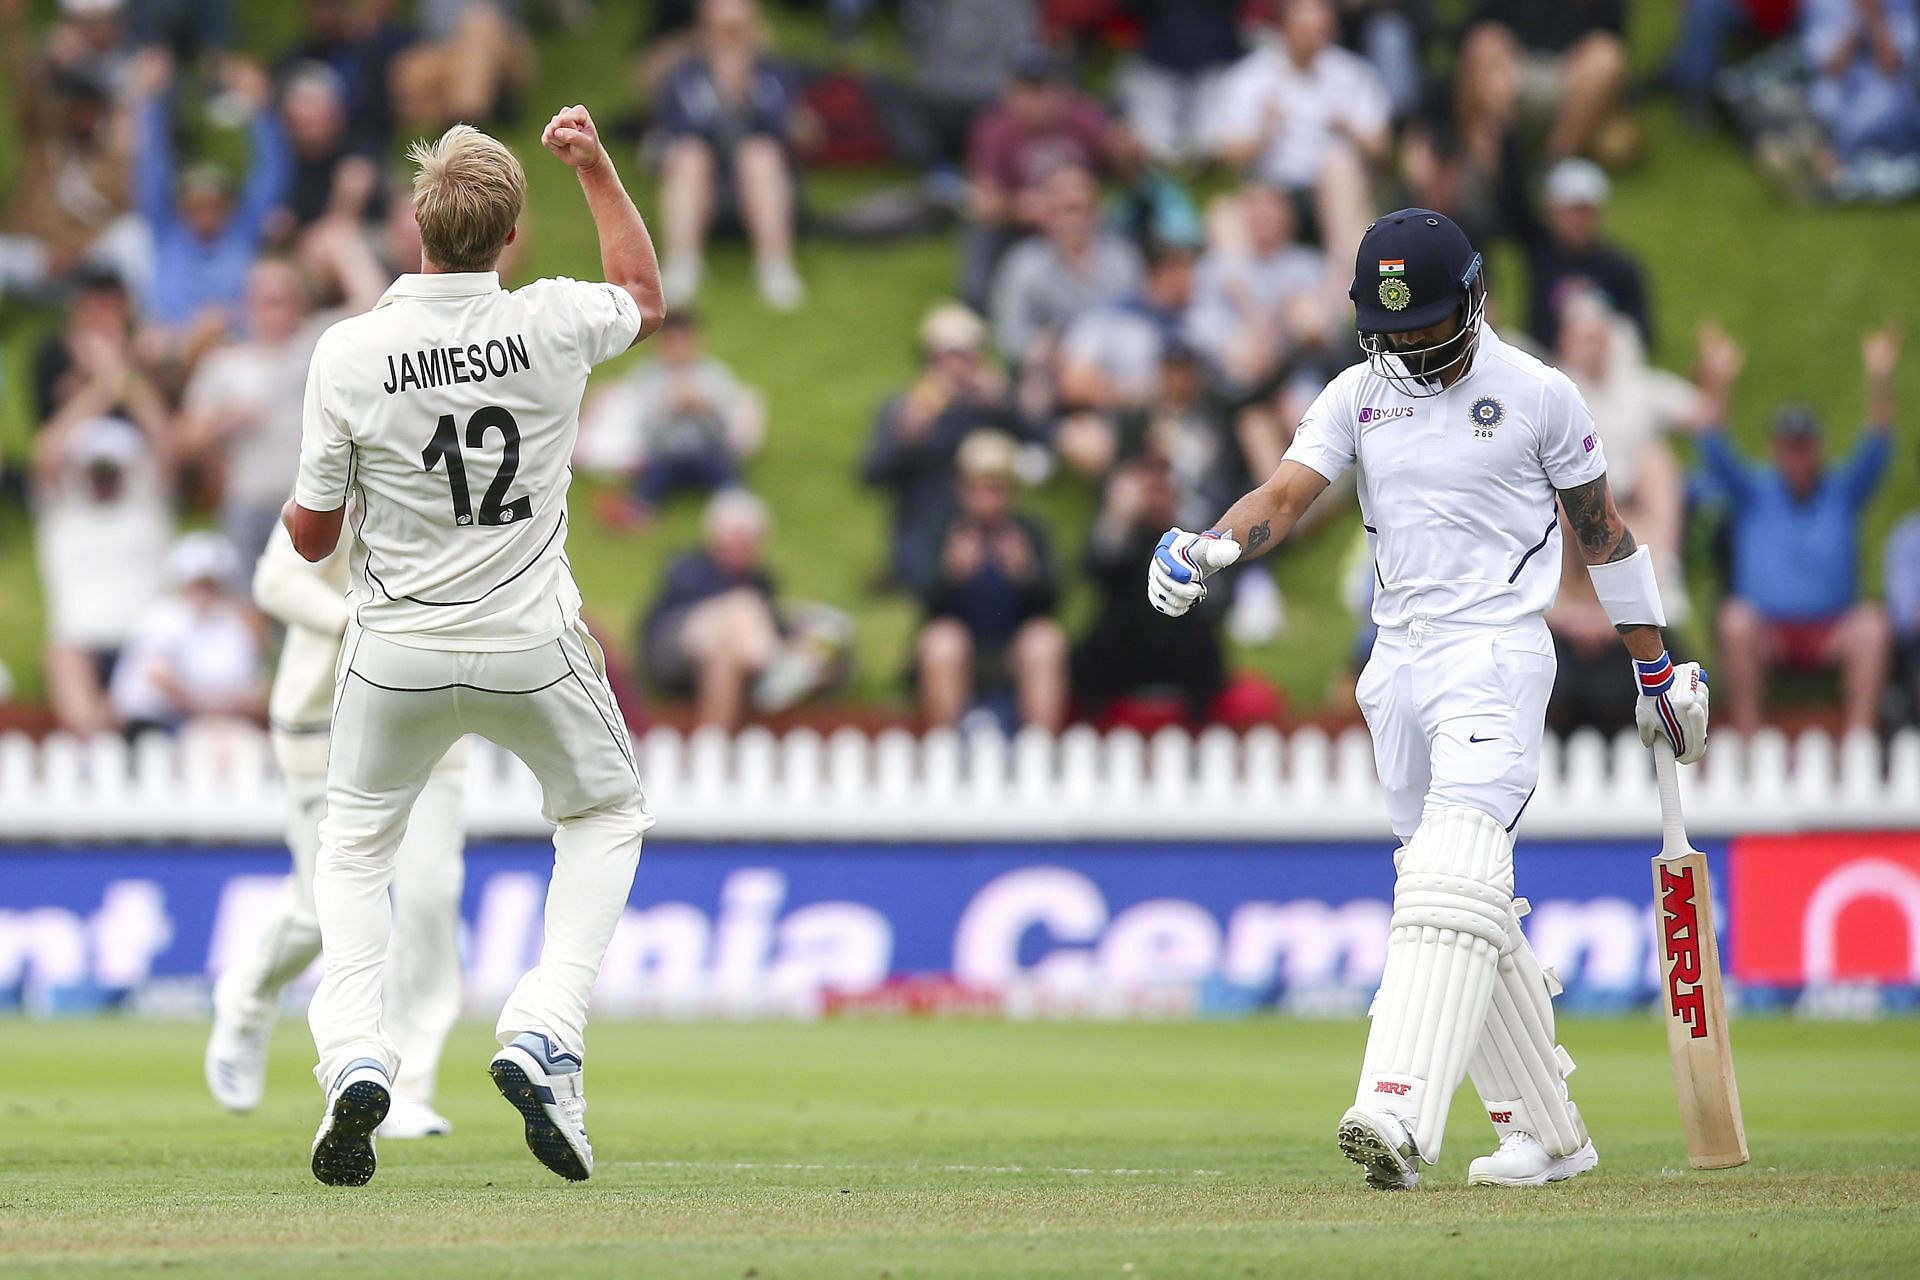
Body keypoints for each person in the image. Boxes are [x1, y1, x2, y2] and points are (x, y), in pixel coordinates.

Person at [1148, 209, 1708, 1190]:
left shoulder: (1539, 394)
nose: (1408, 346)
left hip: (1495, 651)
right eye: (1391, 331)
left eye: (1427, 328)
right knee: (1464, 898)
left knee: (1451, 872)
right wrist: (1210, 545)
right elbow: (1283, 496)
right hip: (1395, 664)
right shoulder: (1359, 394)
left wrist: (1655, 669)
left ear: (1477, 299)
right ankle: (1548, 1132)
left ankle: (1396, 1108)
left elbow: (1604, 535)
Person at [284, 106, 666, 1185]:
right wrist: (594, 165)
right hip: (530, 636)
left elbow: (313, 535)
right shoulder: (549, 321)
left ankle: (358, 1049)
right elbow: (643, 295)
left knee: (356, 842)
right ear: (509, 236)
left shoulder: (350, 350)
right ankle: (544, 1021)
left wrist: (316, 511)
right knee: (605, 810)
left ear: (417, 225)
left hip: (397, 647)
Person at [206, 523, 468, 1142]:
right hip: (324, 719)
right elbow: (276, 581)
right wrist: (366, 622)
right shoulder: (347, 462)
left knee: (430, 898)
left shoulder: (470, 475)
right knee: (320, 909)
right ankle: (245, 1002)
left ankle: (403, 1086)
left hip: (430, 712)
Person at [1700, 328, 1898, 738]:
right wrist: (1716, 382)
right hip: (1768, 631)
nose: (1798, 455)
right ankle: (1750, 740)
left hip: (1832, 630)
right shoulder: (1755, 491)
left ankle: (1858, 738)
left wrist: (1879, 377)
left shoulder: (1843, 491)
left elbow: (1879, 446)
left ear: (1818, 447)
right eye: (1790, 446)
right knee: (1735, 621)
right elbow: (1713, 448)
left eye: (1804, 445)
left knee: (1873, 626)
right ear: (1776, 448)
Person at [640, 489, 844, 727]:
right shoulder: (690, 569)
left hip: (722, 656)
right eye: (737, 537)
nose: (744, 546)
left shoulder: (759, 580)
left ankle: (713, 743)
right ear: (716, 535)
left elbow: (774, 621)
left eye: (750, 539)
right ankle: (779, 665)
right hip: (674, 648)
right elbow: (660, 623)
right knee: (740, 607)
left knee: (724, 656)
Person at [1214, 0, 1389, 275]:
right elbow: (1228, 154)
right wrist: (1264, 132)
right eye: (1304, 28)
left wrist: (1347, 128)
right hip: (1273, 186)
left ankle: (1353, 282)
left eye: (1319, 29)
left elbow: (1381, 146)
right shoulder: (1252, 76)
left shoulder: (1350, 74)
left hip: (1329, 185)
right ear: (1285, 27)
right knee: (1230, 210)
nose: (1312, 37)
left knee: (1338, 165)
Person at [909, 429, 1067, 732]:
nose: (986, 501)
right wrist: (951, 576)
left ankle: (1040, 750)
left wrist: (1027, 575)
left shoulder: (1029, 532)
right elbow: (924, 602)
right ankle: (947, 748)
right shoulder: (941, 529)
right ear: (961, 489)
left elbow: (1052, 603)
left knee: (1044, 642)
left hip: (1013, 648)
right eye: (977, 489)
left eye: (996, 490)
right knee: (942, 643)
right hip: (961, 647)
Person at [654, 0, 807, 310]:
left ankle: (775, 266)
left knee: (759, 154)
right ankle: (682, 265)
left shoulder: (772, 73)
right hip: (704, 189)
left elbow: (782, 131)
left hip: (763, 187)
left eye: (738, 30)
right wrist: (721, 92)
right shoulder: (685, 76)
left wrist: (743, 93)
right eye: (721, 31)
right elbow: (679, 130)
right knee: (689, 155)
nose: (730, 41)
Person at [31, 412, 174, 736]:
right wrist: (102, 390)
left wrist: (129, 387)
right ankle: (94, 744)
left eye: (111, 469)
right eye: (96, 470)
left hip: (143, 639)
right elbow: (45, 451)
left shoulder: (149, 504)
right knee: (64, 661)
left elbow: (167, 443)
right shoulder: (61, 508)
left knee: (144, 698)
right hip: (79, 640)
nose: (104, 479)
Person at [130, 52, 291, 338]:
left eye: (214, 204)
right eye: (196, 204)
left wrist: (259, 109)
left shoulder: (242, 231)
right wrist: (153, 101)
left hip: (234, 349)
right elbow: (150, 168)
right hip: (173, 352)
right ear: (183, 208)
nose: (206, 211)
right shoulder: (167, 233)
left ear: (228, 206)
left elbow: (271, 173)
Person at [862, 300, 1022, 587]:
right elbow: (871, 475)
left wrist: (1006, 405)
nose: (958, 367)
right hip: (925, 522)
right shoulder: (904, 407)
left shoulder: (988, 405)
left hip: (989, 520)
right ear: (930, 358)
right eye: (950, 356)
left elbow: (1040, 443)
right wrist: (905, 437)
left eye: (967, 356)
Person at [961, 46, 1118, 308]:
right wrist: (1017, 207)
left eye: (1044, 89)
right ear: (1010, 93)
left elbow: (1121, 169)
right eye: (1028, 90)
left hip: (1082, 220)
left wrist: (1126, 150)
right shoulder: (995, 130)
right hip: (1022, 228)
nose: (1037, 99)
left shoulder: (1084, 118)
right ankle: (984, 305)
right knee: (982, 247)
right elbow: (981, 202)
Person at [581, 309, 765, 526]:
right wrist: (668, 409)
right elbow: (642, 428)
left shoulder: (714, 376)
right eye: (671, 343)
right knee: (654, 478)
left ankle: (735, 509)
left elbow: (729, 428)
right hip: (665, 453)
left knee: (722, 471)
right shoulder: (647, 378)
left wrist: (703, 409)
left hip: (706, 449)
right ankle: (638, 512)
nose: (678, 350)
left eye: (684, 342)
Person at [108, 533, 266, 735]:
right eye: (198, 584)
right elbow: (160, 679)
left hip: (212, 722)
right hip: (156, 723)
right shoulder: (162, 616)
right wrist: (213, 705)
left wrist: (218, 706)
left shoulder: (233, 625)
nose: (204, 593)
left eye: (211, 585)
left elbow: (254, 692)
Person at [989, 165, 1143, 371]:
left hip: (1119, 364)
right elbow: (1011, 335)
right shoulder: (1022, 266)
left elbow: (1141, 316)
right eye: (1064, 210)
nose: (1073, 220)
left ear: (1097, 210)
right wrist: (1049, 352)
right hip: (1052, 371)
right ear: (1046, 212)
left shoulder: (1122, 256)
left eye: (1080, 209)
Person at [1455, 0, 1630, 164]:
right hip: (1512, 70)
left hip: (1571, 79)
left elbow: (1612, 38)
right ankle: (1488, 169)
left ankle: (1554, 165)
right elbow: (1481, 26)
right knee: (1484, 43)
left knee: (1605, 57)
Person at [1525, 159, 1651, 354]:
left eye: (1586, 212)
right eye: (1571, 212)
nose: (1579, 221)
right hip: (1551, 360)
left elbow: (1642, 332)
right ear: (1552, 213)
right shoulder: (1539, 256)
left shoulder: (1622, 268)